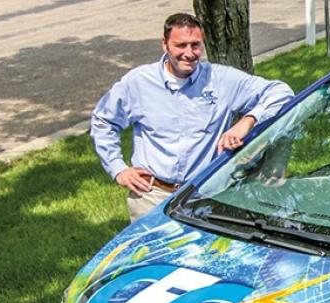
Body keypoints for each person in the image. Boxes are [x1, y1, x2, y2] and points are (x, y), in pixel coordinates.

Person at [91, 13, 294, 221]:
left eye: (195, 45)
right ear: (165, 44)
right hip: (151, 197)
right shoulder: (138, 83)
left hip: (206, 196)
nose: (189, 53)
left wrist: (248, 120)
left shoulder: (220, 80)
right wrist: (118, 168)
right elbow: (103, 121)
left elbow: (281, 92)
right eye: (181, 45)